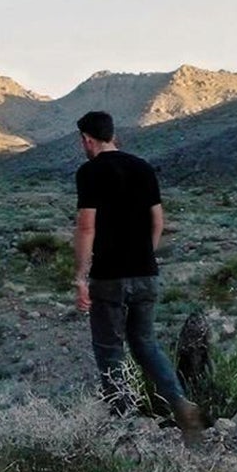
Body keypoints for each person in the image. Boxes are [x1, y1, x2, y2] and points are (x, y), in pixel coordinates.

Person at [71, 110, 203, 431]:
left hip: (108, 277)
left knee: (110, 348)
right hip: (146, 272)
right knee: (145, 343)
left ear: (88, 139)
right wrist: (144, 254)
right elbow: (158, 220)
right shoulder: (143, 167)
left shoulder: (90, 172)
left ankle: (125, 420)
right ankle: (180, 403)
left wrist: (80, 276)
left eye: (83, 142)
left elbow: (87, 226)